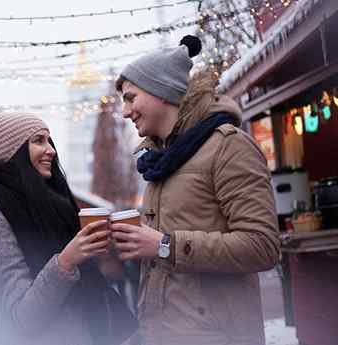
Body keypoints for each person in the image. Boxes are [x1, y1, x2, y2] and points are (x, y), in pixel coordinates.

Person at [111, 35, 281, 345]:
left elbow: (263, 246)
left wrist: (165, 245)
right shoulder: (160, 162)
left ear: (161, 92)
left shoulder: (228, 147)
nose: (124, 111)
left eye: (130, 98)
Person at [0, 114, 134, 345]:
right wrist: (66, 261)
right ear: (11, 151)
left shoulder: (50, 206)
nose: (51, 150)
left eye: (49, 141)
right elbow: (22, 317)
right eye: (38, 140)